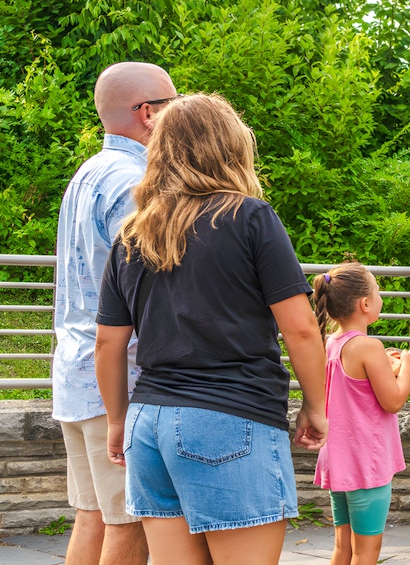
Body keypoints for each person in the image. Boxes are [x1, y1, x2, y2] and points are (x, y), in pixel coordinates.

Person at [93, 93, 328, 565]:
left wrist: (117, 420)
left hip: (148, 423)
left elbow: (108, 343)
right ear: (230, 147)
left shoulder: (132, 234)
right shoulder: (249, 217)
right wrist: (316, 405)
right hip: (230, 415)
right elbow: (301, 329)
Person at [52, 61, 178, 565]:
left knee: (94, 516)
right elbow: (148, 288)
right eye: (174, 105)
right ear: (147, 113)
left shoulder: (87, 173)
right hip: (118, 380)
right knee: (131, 524)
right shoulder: (134, 183)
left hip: (75, 370)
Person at [310, 263, 410, 565]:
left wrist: (387, 366)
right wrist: (408, 366)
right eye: (378, 292)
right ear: (365, 304)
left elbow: (356, 386)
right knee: (366, 553)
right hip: (366, 467)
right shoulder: (369, 346)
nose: (381, 298)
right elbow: (393, 401)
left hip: (339, 463)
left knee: (343, 549)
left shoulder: (331, 343)